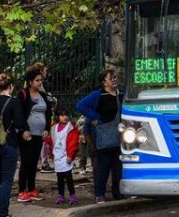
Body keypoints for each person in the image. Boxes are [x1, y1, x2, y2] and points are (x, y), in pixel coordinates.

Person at [75, 69, 123, 203]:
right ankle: (99, 193)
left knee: (118, 166)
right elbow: (80, 105)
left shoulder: (121, 93)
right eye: (110, 78)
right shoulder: (98, 95)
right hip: (103, 136)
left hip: (119, 135)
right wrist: (94, 117)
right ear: (104, 82)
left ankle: (118, 192)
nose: (114, 79)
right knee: (103, 166)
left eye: (115, 77)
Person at [0, 73, 24, 217]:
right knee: (6, 180)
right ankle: (3, 212)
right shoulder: (13, 102)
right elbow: (20, 123)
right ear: (11, 87)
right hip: (8, 143)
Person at [17, 63, 52, 202]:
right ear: (30, 81)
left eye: (40, 80)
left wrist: (46, 129)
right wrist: (24, 130)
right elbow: (19, 113)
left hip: (39, 134)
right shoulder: (23, 94)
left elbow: (48, 113)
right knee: (26, 162)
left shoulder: (43, 95)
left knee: (34, 163)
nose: (39, 82)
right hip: (27, 135)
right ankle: (21, 190)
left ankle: (31, 189)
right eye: (37, 80)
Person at [47, 106, 79, 205]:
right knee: (59, 177)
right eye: (61, 115)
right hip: (57, 157)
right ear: (57, 117)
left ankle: (73, 196)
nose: (64, 117)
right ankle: (61, 195)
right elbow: (53, 140)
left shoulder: (71, 128)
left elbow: (73, 143)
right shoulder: (54, 128)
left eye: (66, 115)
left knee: (68, 177)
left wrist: (70, 155)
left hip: (66, 156)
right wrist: (45, 139)